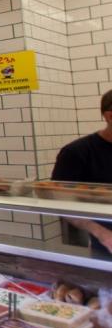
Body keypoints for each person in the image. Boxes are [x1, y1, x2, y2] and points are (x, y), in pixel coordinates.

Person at [52, 89, 112, 258]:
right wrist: (102, 234)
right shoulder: (77, 153)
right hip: (106, 245)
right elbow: (60, 203)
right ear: (110, 116)